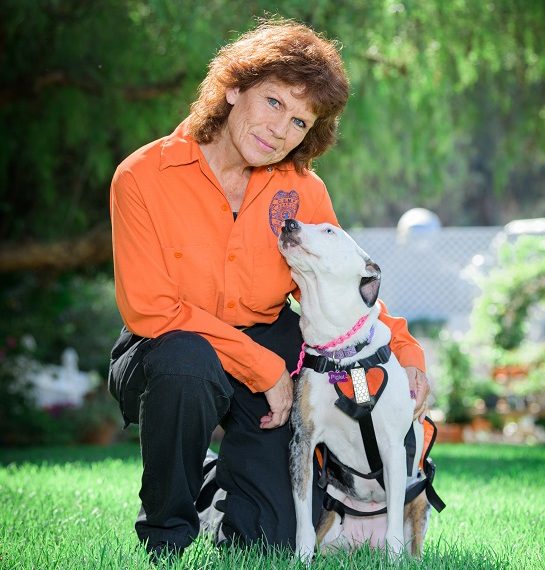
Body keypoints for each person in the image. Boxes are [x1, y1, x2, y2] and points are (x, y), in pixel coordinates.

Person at [108, 18, 431, 560]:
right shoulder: (142, 176)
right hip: (167, 345)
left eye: (301, 120)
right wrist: (264, 367)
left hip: (269, 335)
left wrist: (404, 350)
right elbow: (150, 309)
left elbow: (339, 285)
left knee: (275, 539)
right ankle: (167, 533)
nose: (282, 130)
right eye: (274, 102)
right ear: (234, 87)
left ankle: (220, 497)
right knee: (187, 363)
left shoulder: (303, 187)